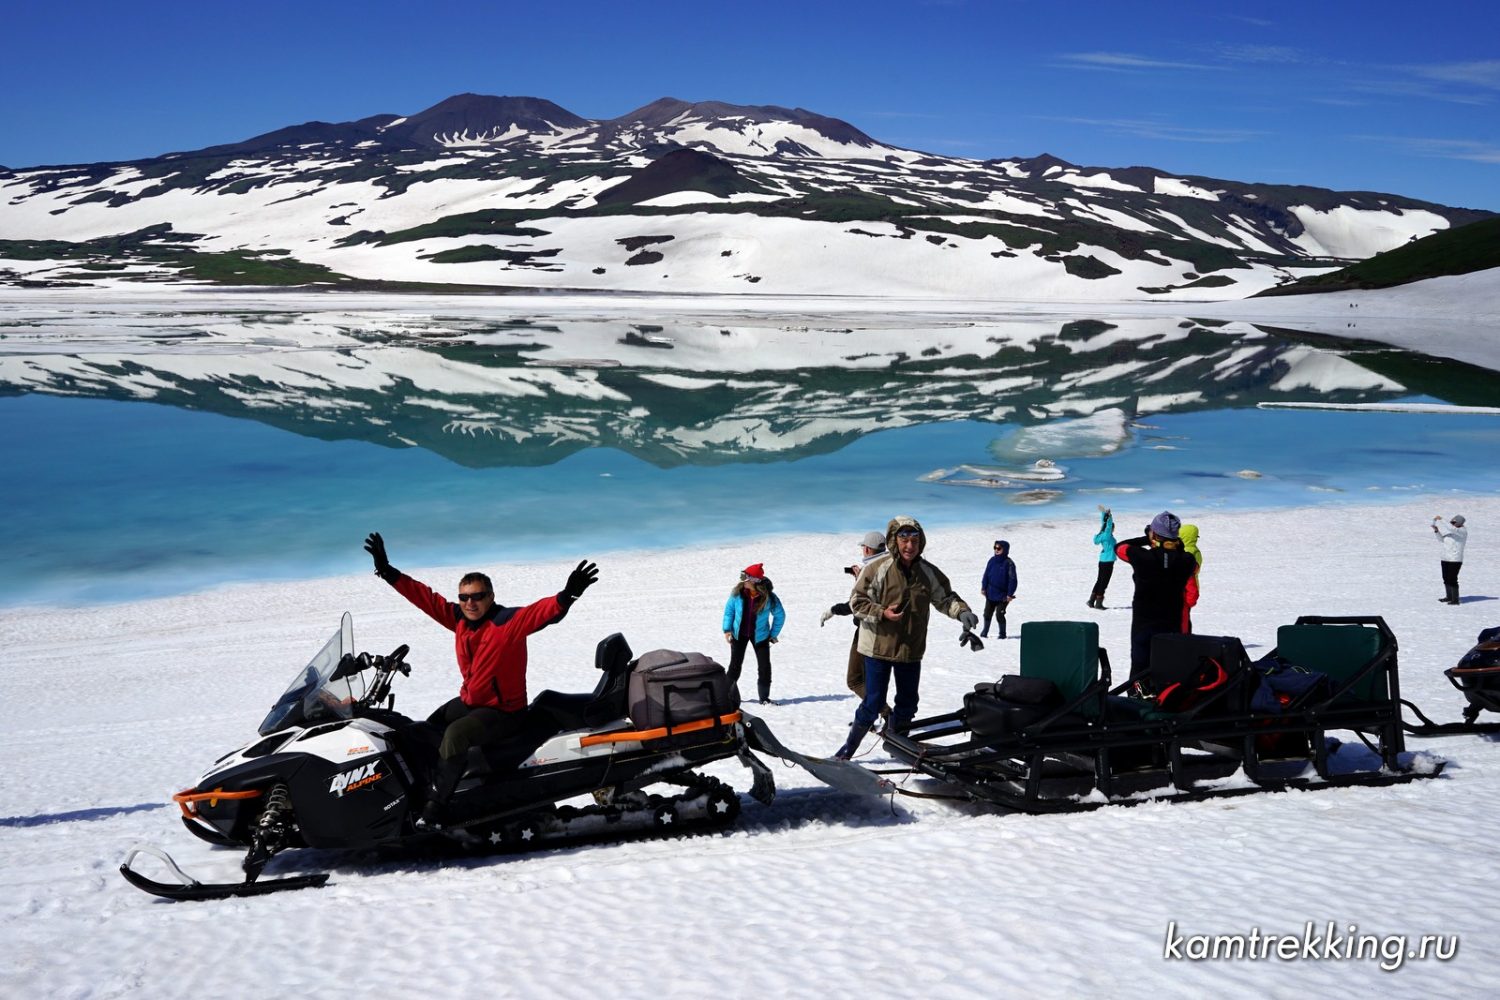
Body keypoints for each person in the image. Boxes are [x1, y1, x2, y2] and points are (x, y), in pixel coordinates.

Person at [363, 532, 598, 827]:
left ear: (491, 597)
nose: (470, 602)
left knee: (455, 736)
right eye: (464, 597)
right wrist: (387, 571)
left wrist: (568, 595)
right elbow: (424, 597)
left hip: (504, 711)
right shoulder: (459, 619)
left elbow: (541, 612)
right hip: (472, 701)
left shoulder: (507, 623)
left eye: (477, 596)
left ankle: (439, 806)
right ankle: (444, 781)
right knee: (426, 727)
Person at [833, 516, 977, 760]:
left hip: (910, 649)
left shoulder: (927, 572)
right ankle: (846, 752)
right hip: (877, 648)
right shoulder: (878, 569)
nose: (910, 545)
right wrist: (882, 612)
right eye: (904, 539)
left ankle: (896, 746)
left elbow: (945, 598)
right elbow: (857, 602)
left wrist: (962, 612)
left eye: (915, 539)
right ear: (893, 541)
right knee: (872, 703)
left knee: (908, 703)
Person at [1114, 512, 1198, 682]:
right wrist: (1171, 546)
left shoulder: (1142, 557)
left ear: (1154, 534)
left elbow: (1120, 547)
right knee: (1167, 668)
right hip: (1171, 623)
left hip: (1143, 624)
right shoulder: (1187, 560)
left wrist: (1146, 539)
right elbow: (1191, 566)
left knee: (1139, 668)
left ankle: (1137, 701)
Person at [820, 531, 890, 717]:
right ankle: (874, 716)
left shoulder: (871, 570)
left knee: (855, 680)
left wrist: (833, 610)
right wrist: (859, 578)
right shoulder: (890, 566)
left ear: (867, 549)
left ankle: (885, 714)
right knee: (871, 680)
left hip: (868, 630)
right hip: (888, 630)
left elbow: (855, 604)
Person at [721, 563, 786, 704]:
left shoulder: (769, 597)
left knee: (764, 667)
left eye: (745, 577)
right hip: (739, 635)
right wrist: (727, 629)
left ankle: (764, 698)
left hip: (761, 636)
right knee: (734, 666)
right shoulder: (737, 594)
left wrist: (772, 634)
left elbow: (780, 615)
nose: (742, 580)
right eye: (742, 576)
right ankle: (726, 697)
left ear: (755, 580)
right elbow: (729, 611)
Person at [979, 539, 1018, 638]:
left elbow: (1013, 580)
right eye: (995, 548)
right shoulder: (992, 560)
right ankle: (985, 632)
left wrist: (1009, 594)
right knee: (987, 614)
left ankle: (1002, 634)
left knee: (999, 615)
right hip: (990, 593)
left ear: (1004, 550)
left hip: (1003, 596)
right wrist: (983, 587)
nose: (996, 550)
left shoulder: (1009, 563)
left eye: (999, 548)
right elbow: (986, 575)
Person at [1434, 514, 1469, 605]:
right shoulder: (1451, 532)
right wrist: (1437, 531)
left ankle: (1455, 600)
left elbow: (1452, 529)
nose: (1452, 524)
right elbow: (1442, 540)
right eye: (1452, 522)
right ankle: (1449, 597)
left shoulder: (1462, 532)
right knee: (1446, 578)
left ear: (1459, 523)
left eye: (1454, 522)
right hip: (1445, 558)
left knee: (1452, 578)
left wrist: (1442, 519)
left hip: (1455, 559)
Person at [1088, 507, 1117, 610]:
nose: (1113, 529)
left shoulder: (1101, 535)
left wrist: (1104, 514)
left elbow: (1103, 524)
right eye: (1113, 528)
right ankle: (1098, 604)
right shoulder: (1107, 535)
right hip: (1108, 562)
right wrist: (1110, 516)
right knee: (1104, 583)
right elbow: (1107, 525)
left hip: (1102, 561)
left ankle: (1091, 601)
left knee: (1099, 581)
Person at [1179, 523, 1203, 632]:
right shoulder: (1195, 550)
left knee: (1183, 616)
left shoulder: (1188, 551)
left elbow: (1192, 570)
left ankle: (1185, 637)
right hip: (1191, 586)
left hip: (1187, 587)